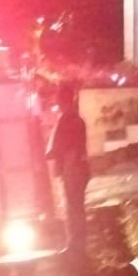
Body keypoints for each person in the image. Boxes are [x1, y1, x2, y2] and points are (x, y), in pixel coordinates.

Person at [45, 80, 90, 266]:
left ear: (63, 99)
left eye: (58, 97)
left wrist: (57, 159)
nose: (56, 101)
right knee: (75, 208)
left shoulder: (68, 119)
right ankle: (76, 244)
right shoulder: (74, 118)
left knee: (73, 209)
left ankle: (76, 246)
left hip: (73, 168)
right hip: (76, 168)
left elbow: (60, 147)